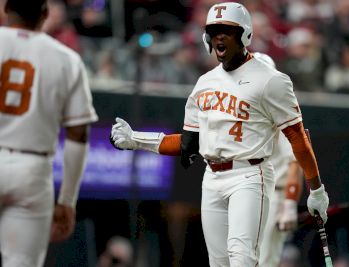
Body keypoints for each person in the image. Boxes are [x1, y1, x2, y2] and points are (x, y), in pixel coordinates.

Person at [110, 2, 329, 266]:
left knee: (242, 257)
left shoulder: (271, 79)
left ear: (245, 34)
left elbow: (297, 138)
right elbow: (189, 143)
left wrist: (316, 189)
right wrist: (136, 140)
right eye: (214, 30)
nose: (220, 37)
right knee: (219, 262)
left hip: (250, 174)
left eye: (227, 30)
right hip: (212, 177)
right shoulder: (204, 82)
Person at [0, 1, 98, 266]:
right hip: (32, 169)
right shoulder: (66, 58)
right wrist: (67, 200)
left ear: (7, 8)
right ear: (44, 15)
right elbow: (78, 133)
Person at [253, 52, 304, 267]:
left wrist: (290, 204)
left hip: (274, 196)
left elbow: (295, 162)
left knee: (264, 261)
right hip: (249, 192)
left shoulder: (281, 108)